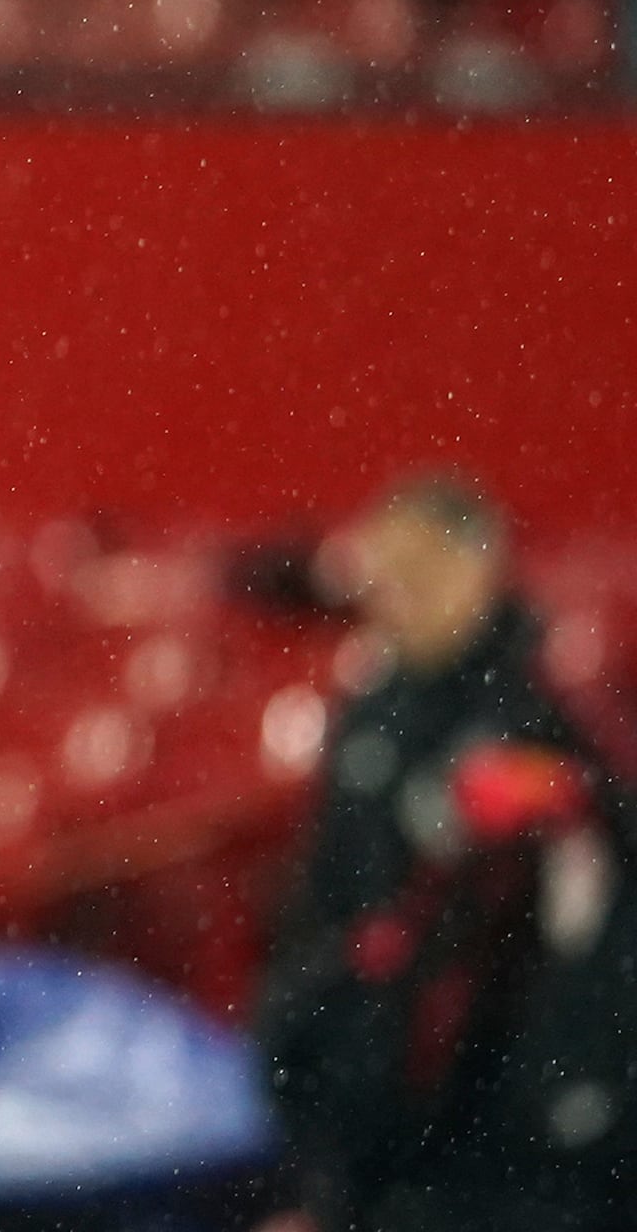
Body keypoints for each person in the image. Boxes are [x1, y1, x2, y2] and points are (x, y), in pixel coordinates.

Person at [258, 475, 637, 1232]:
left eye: (420, 569)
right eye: (384, 570)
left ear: (478, 569)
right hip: (383, 1094)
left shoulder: (549, 701)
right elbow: (332, 896)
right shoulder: (368, 709)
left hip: (522, 1111)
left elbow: (594, 906)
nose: (395, 592)